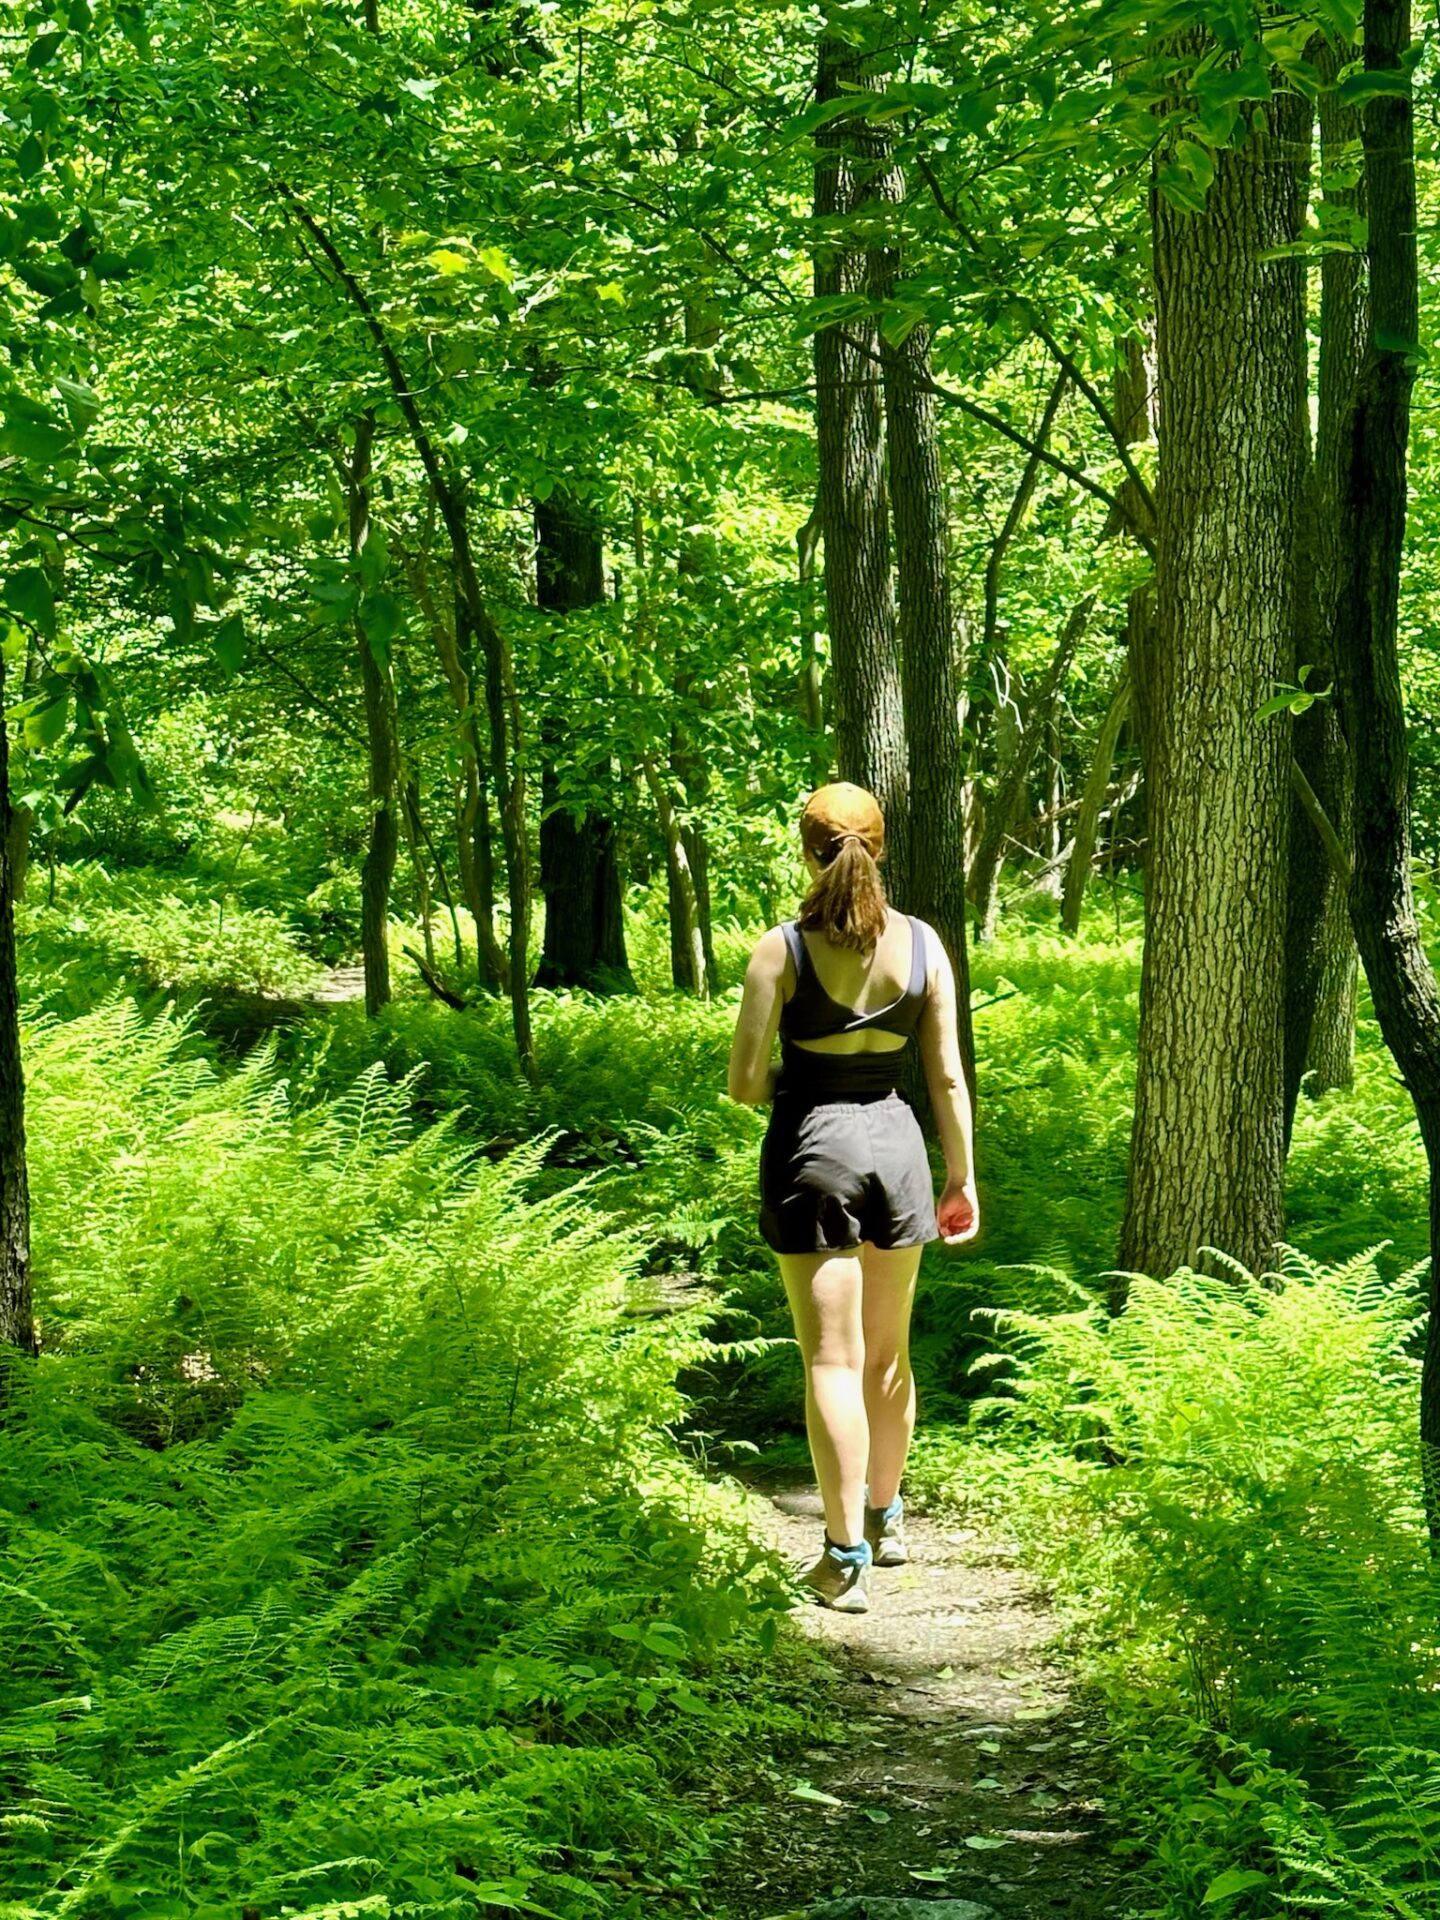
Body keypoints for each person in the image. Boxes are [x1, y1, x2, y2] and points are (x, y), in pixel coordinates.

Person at [727, 781, 979, 1614]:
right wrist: (961, 1176)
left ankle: (844, 1558)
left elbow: (743, 1085)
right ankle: (888, 1516)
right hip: (900, 1146)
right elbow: (944, 1073)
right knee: (887, 1353)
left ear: (808, 850)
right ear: (882, 846)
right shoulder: (925, 944)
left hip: (815, 1149)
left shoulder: (782, 950)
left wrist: (802, 1082)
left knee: (829, 1359)